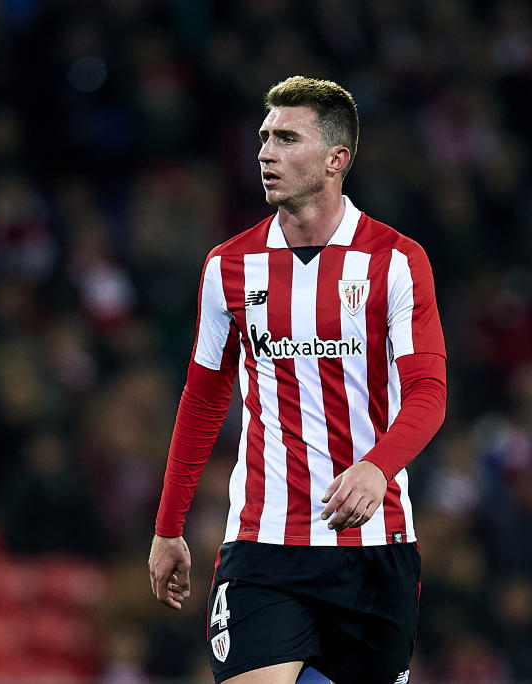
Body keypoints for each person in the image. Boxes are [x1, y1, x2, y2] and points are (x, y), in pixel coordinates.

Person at [148, 75, 447, 684]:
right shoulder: (228, 267)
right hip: (261, 544)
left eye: (287, 139)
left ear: (337, 159)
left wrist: (376, 465)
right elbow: (204, 400)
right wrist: (168, 527)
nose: (265, 153)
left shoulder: (395, 261)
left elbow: (429, 392)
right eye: (263, 138)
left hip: (372, 545)